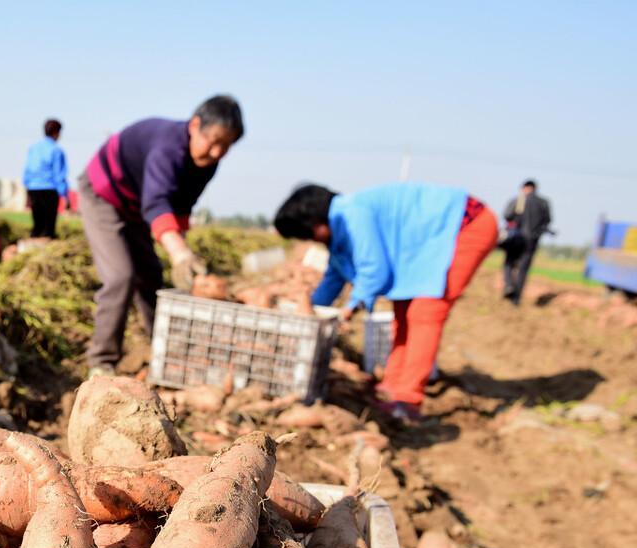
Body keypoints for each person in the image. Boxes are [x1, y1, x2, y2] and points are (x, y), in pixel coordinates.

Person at [274, 183, 498, 421]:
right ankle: (392, 385)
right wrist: (313, 311)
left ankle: (408, 400)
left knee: (426, 312)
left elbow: (374, 268)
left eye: (306, 233)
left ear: (313, 222)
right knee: (402, 311)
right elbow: (335, 274)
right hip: (428, 243)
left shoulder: (353, 214)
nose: (311, 239)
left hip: (464, 225)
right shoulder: (339, 225)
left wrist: (352, 306)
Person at [79, 95, 244, 377]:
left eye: (225, 146)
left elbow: (179, 207)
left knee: (152, 275)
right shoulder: (168, 148)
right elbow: (156, 204)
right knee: (121, 276)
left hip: (136, 207)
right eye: (213, 141)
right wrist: (179, 254)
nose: (216, 152)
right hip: (103, 195)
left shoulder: (206, 163)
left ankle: (165, 347)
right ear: (195, 125)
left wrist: (181, 247)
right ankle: (101, 361)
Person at [501, 179, 552, 305]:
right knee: (523, 269)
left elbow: (507, 215)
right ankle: (516, 298)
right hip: (532, 240)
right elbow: (548, 220)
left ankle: (509, 285)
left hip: (516, 238)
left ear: (524, 188)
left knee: (509, 263)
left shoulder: (519, 200)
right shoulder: (543, 203)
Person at [23, 118, 69, 239]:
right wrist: (64, 194)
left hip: (33, 188)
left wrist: (27, 187)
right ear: (57, 132)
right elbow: (59, 174)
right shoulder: (56, 150)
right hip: (49, 189)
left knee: (37, 226)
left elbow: (28, 170)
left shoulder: (33, 148)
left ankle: (31, 251)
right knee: (48, 228)